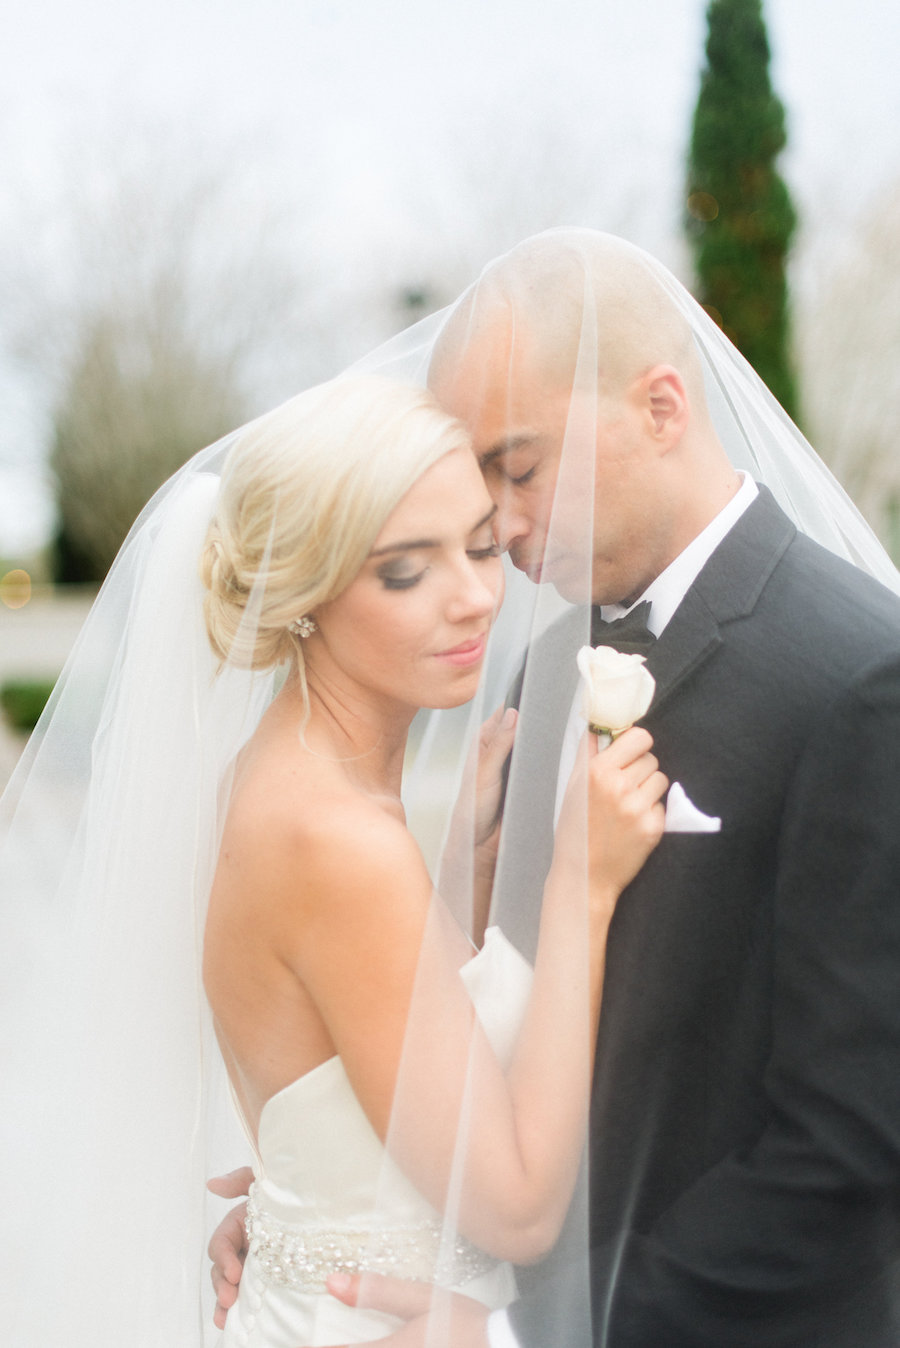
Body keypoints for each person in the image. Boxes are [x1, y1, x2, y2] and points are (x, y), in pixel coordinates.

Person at [204, 229, 900, 1348]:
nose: (503, 532)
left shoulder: (863, 678)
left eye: (519, 469)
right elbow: (486, 1032)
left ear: (663, 409)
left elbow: (853, 1141)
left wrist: (529, 1333)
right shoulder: (536, 670)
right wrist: (332, 1193)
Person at [0, 371, 666, 1346]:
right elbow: (516, 1206)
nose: (477, 595)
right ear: (303, 590)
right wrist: (582, 883)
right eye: (407, 570)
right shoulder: (337, 841)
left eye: (482, 545)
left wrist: (461, 882)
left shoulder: (272, 780)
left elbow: (352, 1064)